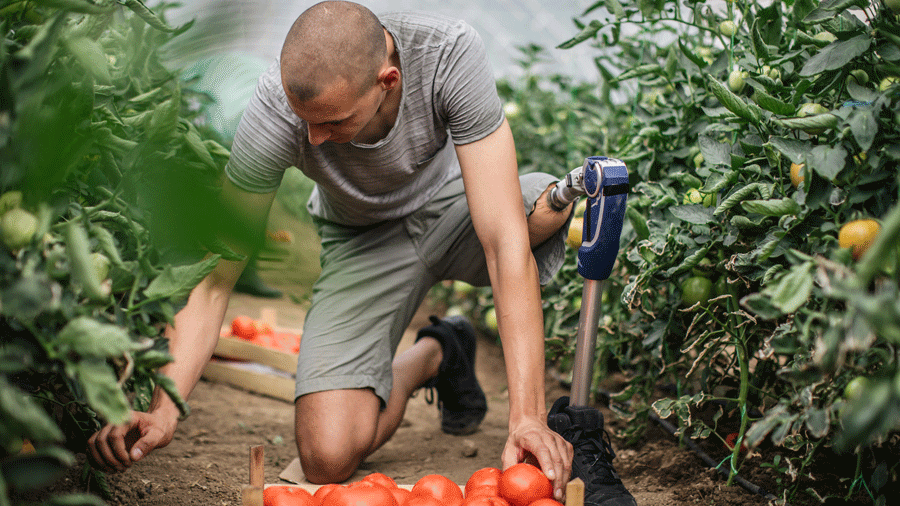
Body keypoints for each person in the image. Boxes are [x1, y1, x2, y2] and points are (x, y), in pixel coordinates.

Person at [87, 1, 601, 500]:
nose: (312, 138)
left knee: (534, 211)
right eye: (304, 120)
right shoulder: (274, 111)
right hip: (362, 241)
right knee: (326, 458)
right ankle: (437, 352)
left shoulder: (447, 54)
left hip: (459, 212)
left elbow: (503, 242)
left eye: (332, 122)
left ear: (387, 81)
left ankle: (468, 327)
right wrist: (164, 407)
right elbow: (219, 273)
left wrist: (527, 417)